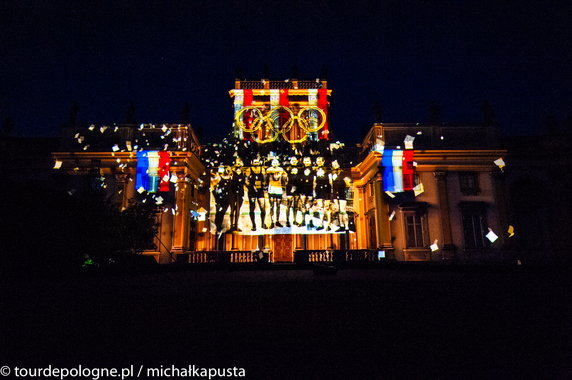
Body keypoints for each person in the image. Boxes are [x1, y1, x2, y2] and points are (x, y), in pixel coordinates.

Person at [245, 157, 267, 231]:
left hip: (260, 191)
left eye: (257, 162)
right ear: (252, 162)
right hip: (252, 191)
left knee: (263, 207)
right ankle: (253, 225)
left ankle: (263, 223)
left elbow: (264, 179)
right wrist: (251, 187)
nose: (256, 164)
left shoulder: (262, 170)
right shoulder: (249, 170)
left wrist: (263, 187)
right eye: (255, 162)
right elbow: (246, 181)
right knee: (252, 208)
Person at [266, 158, 285, 228]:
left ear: (278, 163)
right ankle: (271, 221)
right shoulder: (269, 169)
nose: (275, 164)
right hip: (271, 189)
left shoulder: (281, 169)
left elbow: (282, 174)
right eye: (273, 163)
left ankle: (277, 221)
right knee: (271, 206)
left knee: (278, 206)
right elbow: (268, 171)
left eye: (276, 163)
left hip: (278, 188)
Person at [313, 156, 331, 230]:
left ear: (323, 161)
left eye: (320, 161)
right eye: (318, 161)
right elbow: (314, 182)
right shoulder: (315, 170)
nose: (319, 163)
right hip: (318, 189)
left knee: (327, 207)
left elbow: (330, 181)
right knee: (320, 206)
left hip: (327, 188)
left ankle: (329, 224)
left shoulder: (328, 170)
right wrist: (314, 191)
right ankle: (321, 224)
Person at [229, 157, 246, 232]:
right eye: (237, 163)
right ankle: (231, 226)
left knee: (238, 209)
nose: (238, 165)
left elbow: (245, 182)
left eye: (239, 163)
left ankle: (236, 225)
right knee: (232, 209)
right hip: (233, 192)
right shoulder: (232, 172)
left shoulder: (243, 173)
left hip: (240, 193)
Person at [298, 156, 315, 229]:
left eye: (308, 161)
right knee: (303, 205)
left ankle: (311, 221)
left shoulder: (313, 171)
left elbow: (315, 182)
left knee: (310, 206)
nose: (306, 162)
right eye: (305, 161)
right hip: (302, 190)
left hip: (310, 190)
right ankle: (303, 221)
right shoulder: (301, 170)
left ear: (310, 161)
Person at [285, 156, 301, 227]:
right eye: (292, 160)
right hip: (289, 187)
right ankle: (287, 221)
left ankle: (294, 220)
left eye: (295, 160)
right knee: (288, 204)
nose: (294, 161)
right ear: (290, 161)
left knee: (296, 205)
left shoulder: (300, 169)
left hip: (297, 187)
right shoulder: (287, 169)